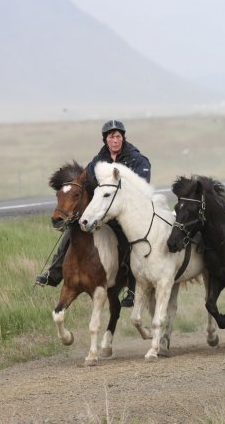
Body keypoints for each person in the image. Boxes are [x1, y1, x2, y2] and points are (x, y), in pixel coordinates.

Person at [35, 119, 151, 308]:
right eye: (111, 137)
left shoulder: (137, 160)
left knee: (129, 239)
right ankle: (54, 273)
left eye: (118, 136)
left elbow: (142, 186)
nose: (115, 140)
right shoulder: (98, 161)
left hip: (125, 213)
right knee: (75, 229)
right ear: (105, 140)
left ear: (123, 138)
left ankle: (131, 288)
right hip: (103, 211)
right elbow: (86, 183)